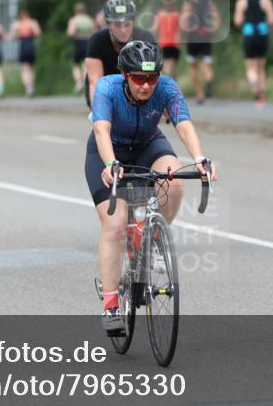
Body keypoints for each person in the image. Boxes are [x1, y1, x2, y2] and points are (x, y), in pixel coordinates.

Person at [86, 41, 217, 331]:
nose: (146, 85)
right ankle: (110, 304)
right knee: (116, 224)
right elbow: (101, 129)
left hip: (147, 144)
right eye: (139, 79)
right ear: (124, 75)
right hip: (108, 152)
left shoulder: (167, 87)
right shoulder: (107, 88)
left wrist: (199, 158)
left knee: (174, 180)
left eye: (152, 78)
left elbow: (183, 123)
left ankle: (152, 237)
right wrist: (110, 165)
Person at [84, 0, 156, 108]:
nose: (123, 30)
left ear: (133, 22)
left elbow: (154, 76)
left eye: (127, 24)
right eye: (117, 25)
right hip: (105, 87)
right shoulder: (97, 40)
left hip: (136, 87)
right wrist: (97, 110)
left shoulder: (145, 38)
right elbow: (95, 80)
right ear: (108, 25)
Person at [233, 0, 273, 108]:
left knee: (250, 66)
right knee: (261, 67)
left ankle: (254, 83)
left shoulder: (242, 2)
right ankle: (261, 97)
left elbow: (238, 21)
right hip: (262, 34)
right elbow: (272, 20)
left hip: (249, 34)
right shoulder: (265, 0)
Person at [11, 8, 42, 98]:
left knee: (25, 68)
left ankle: (28, 87)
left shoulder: (18, 24)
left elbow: (13, 36)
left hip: (23, 45)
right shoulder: (33, 22)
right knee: (32, 68)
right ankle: (31, 86)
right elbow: (38, 33)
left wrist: (19, 33)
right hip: (31, 44)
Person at [67, 3, 96, 94]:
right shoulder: (89, 20)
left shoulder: (74, 20)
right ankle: (85, 82)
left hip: (78, 42)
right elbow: (94, 32)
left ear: (76, 11)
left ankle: (79, 82)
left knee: (76, 64)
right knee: (85, 63)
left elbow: (71, 32)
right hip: (88, 42)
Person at [153, 0, 182, 79]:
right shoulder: (164, 14)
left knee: (170, 68)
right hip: (167, 43)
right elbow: (155, 29)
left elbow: (154, 29)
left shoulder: (174, 14)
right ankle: (172, 85)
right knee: (170, 67)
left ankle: (171, 85)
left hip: (172, 43)